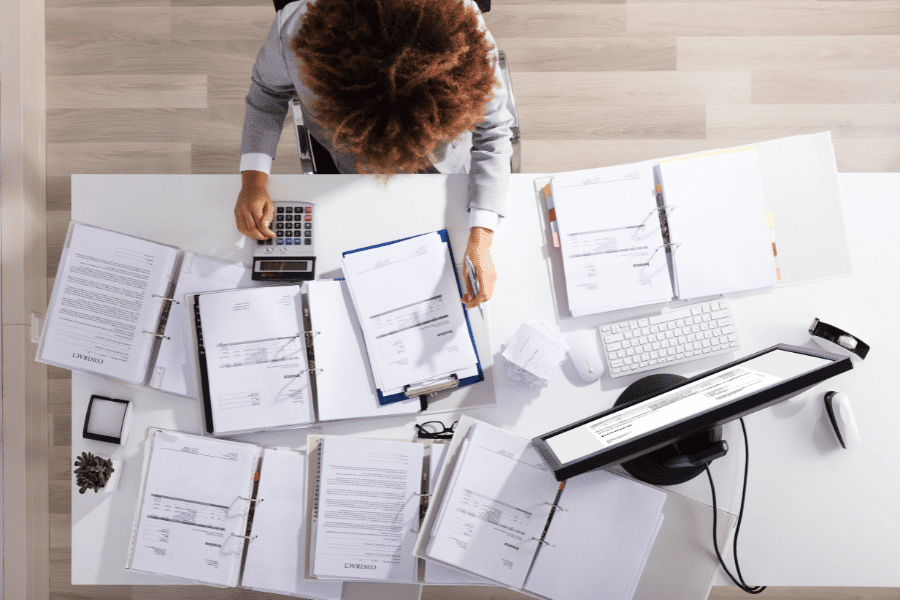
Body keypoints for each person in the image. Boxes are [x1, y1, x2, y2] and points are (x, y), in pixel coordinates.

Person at [235, 0, 513, 309]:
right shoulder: (294, 28)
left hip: (445, 166)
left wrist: (483, 233)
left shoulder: (463, 24)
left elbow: (495, 129)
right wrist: (254, 178)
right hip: (349, 165)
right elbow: (268, 93)